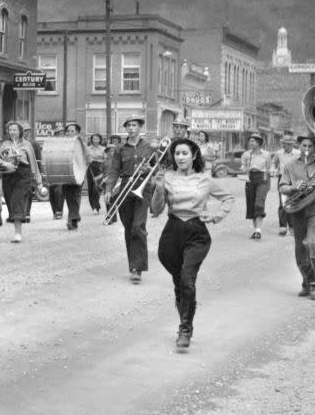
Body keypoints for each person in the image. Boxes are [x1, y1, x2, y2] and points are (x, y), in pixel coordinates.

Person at [149, 138, 234, 349]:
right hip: (172, 233)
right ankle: (185, 318)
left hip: (197, 234)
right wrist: (159, 189)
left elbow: (228, 198)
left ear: (194, 155)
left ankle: (185, 329)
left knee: (187, 280)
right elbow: (155, 210)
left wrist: (215, 216)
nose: (180, 157)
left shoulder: (204, 179)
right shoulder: (166, 178)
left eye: (184, 153)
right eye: (177, 154)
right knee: (180, 283)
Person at [279, 133, 315, 301]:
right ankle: (306, 280)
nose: (307, 149)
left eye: (311, 146)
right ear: (299, 146)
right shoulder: (290, 165)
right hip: (297, 209)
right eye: (304, 146)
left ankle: (313, 283)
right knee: (300, 250)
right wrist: (294, 187)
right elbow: (282, 187)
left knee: (311, 244)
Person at [103, 115, 155, 284]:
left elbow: (158, 169)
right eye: (128, 126)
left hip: (143, 187)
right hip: (125, 187)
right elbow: (113, 171)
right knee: (128, 229)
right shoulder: (120, 149)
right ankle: (133, 265)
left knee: (138, 226)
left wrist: (150, 170)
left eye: (134, 125)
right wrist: (109, 190)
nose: (131, 128)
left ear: (140, 127)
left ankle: (137, 269)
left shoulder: (149, 147)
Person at [0, 121, 42, 243]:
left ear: (20, 131)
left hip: (23, 174)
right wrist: (5, 164)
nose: (12, 132)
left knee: (17, 200)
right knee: (10, 201)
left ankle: (18, 233)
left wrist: (39, 181)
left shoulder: (27, 145)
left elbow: (33, 163)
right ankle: (17, 226)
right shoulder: (5, 144)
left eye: (14, 130)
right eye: (10, 130)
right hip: (8, 174)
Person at [241, 133, 272, 240]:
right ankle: (256, 231)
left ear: (258, 142)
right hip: (250, 178)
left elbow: (269, 168)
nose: (250, 143)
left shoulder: (266, 154)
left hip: (263, 178)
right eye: (250, 141)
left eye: (253, 141)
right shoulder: (246, 154)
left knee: (259, 202)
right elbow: (243, 166)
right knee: (251, 203)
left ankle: (258, 230)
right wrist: (244, 169)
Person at [271, 132, 301, 236]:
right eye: (283, 143)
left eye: (285, 143)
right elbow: (273, 163)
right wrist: (273, 170)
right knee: (282, 202)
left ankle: (292, 227)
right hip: (282, 178)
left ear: (291, 144)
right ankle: (283, 226)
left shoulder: (298, 153)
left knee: (293, 201)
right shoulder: (279, 153)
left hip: (294, 179)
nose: (283, 145)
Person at [60, 122, 86, 230]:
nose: (69, 133)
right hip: (65, 173)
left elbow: (87, 158)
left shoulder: (81, 143)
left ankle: (72, 219)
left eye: (72, 131)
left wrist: (82, 170)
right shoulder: (63, 143)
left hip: (78, 174)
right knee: (68, 197)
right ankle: (74, 217)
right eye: (68, 131)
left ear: (77, 132)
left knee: (75, 196)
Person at [85, 133, 107, 214]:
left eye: (97, 139)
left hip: (99, 169)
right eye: (94, 138)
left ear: (100, 140)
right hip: (90, 168)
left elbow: (105, 159)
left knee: (97, 188)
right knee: (91, 188)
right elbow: (85, 159)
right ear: (91, 140)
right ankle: (93, 206)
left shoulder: (103, 149)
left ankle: (96, 207)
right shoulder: (88, 149)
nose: (95, 140)